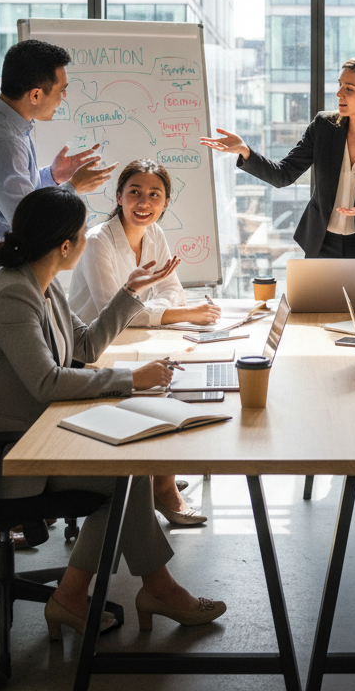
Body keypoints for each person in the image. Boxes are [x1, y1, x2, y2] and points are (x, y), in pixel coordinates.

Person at [0, 185, 226, 641]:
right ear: (65, 245)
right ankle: (141, 591)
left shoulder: (40, 284)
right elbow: (47, 381)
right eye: (82, 234)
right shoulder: (14, 295)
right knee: (120, 479)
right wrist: (132, 380)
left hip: (22, 434)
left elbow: (85, 347)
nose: (89, 240)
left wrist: (130, 294)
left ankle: (90, 595)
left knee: (125, 475)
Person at [69, 158, 220, 526]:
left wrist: (164, 308)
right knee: (157, 390)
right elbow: (113, 313)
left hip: (131, 340)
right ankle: (162, 487)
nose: (144, 202)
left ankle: (157, 474)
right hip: (92, 351)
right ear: (118, 196)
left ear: (165, 203)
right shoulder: (97, 241)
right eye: (134, 192)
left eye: (155, 195)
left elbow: (172, 290)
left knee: (175, 376)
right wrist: (180, 315)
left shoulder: (154, 234)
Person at [201, 55, 355, 294]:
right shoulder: (324, 126)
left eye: (349, 88)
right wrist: (246, 152)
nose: (339, 94)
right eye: (340, 85)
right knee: (315, 321)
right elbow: (283, 175)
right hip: (323, 245)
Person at [0, 39, 115, 313]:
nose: (63, 99)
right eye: (61, 91)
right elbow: (29, 220)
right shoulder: (1, 139)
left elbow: (21, 194)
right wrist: (73, 188)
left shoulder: (3, 119)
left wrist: (53, 176)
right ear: (36, 95)